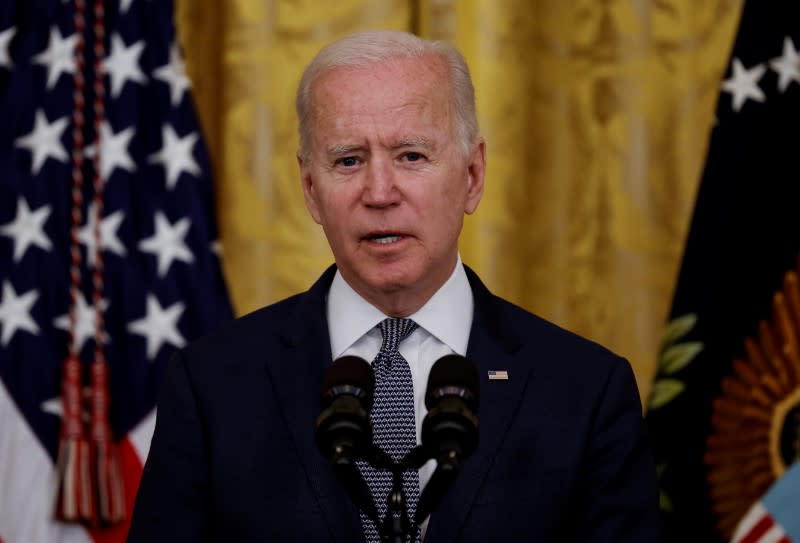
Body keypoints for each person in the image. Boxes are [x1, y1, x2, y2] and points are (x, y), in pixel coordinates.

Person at [128, 30, 660, 542]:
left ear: (472, 175)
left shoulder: (586, 392)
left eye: (411, 155)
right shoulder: (212, 385)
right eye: (348, 160)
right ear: (311, 190)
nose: (379, 192)